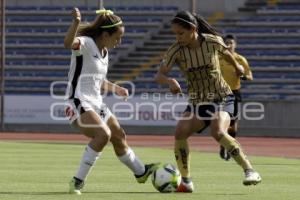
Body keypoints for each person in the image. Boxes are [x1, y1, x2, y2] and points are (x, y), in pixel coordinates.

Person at [155, 11, 261, 193]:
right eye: (175, 34)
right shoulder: (176, 50)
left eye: (181, 33)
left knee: (217, 130)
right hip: (198, 101)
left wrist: (238, 68)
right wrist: (170, 81)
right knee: (180, 132)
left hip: (222, 97)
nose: (177, 37)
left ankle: (250, 170)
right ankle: (186, 181)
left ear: (193, 29)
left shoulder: (212, 41)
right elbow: (159, 74)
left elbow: (228, 55)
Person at [64, 7, 159, 195]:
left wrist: (116, 88)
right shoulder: (86, 44)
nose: (119, 42)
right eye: (117, 37)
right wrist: (75, 23)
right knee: (103, 135)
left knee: (118, 135)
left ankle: (141, 172)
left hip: (96, 102)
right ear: (105, 34)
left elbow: (98, 80)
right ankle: (77, 181)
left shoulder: (105, 52)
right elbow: (68, 44)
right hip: (78, 100)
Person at [219, 34, 253, 161]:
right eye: (227, 42)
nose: (229, 45)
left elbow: (250, 76)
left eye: (231, 42)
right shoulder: (219, 58)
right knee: (220, 121)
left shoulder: (240, 60)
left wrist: (242, 76)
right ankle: (225, 144)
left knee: (232, 124)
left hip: (234, 92)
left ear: (235, 44)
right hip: (220, 93)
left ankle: (227, 146)